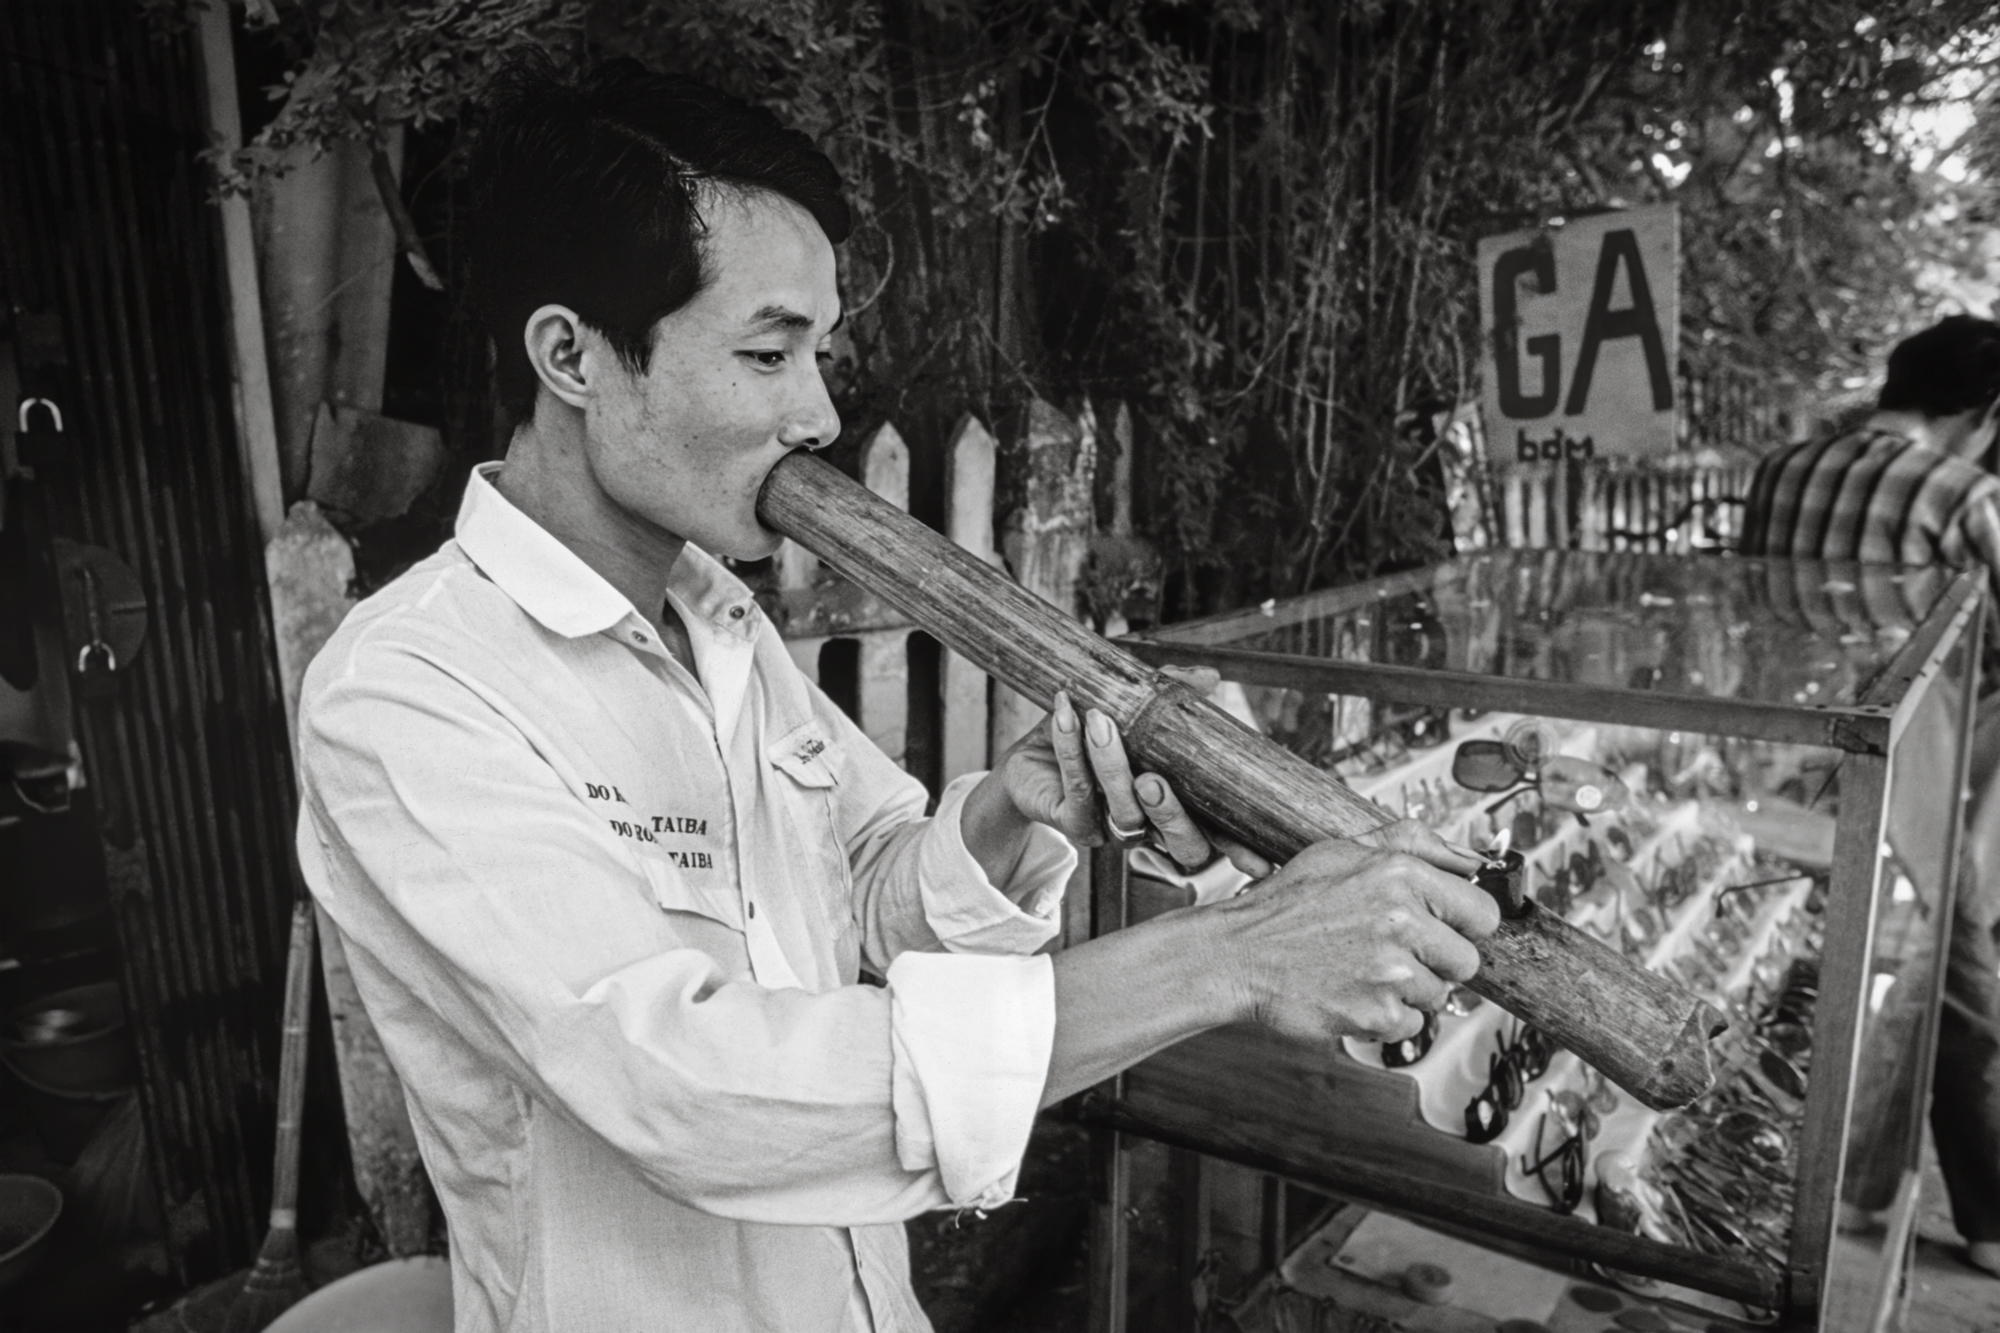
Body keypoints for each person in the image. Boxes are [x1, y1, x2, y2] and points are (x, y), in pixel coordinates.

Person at [293, 60, 1498, 1332]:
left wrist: (1018, 812)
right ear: (572, 355)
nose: (815, 411)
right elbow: (688, 1087)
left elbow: (865, 898)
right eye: (767, 352)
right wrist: (1234, 956)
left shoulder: (721, 626)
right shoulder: (407, 693)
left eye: (817, 354)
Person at [1742, 312, 2000, 1276]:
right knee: (1959, 972)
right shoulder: (1967, 495)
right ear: (1987, 410)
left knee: (1797, 968)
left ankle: (1780, 1161)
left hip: (1785, 765)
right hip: (1911, 774)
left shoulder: (1781, 469)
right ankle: (1987, 1215)